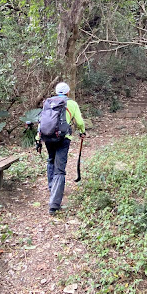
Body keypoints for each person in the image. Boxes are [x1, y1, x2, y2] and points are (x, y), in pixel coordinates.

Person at [36, 82, 85, 216]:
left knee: (51, 159)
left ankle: (52, 187)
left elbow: (42, 121)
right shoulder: (72, 104)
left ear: (57, 92)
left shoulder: (48, 102)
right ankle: (54, 204)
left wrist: (38, 137)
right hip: (64, 138)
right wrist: (82, 131)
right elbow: (79, 122)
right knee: (60, 169)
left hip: (48, 136)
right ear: (68, 92)